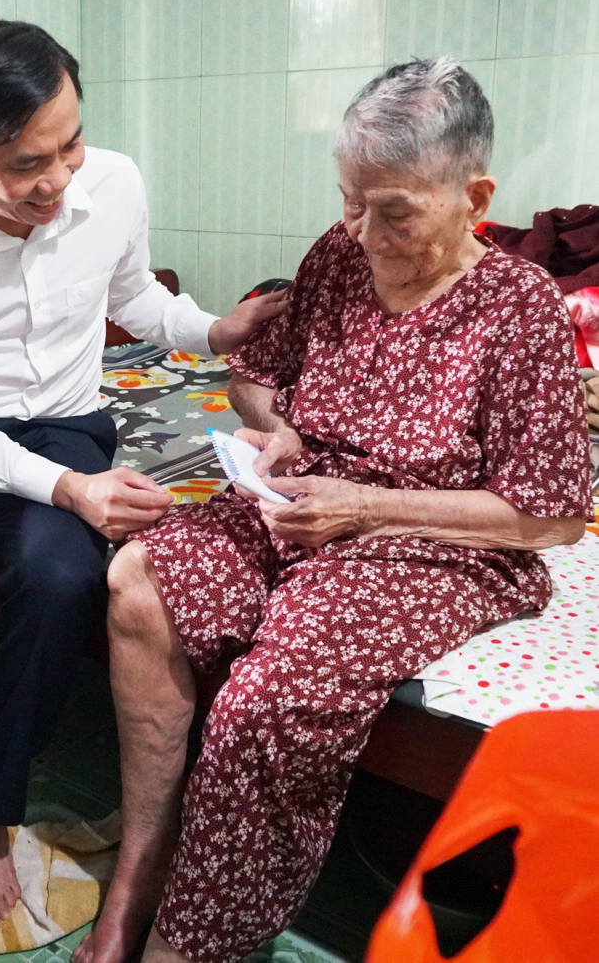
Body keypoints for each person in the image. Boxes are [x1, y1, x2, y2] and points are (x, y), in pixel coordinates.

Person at [75, 58, 593, 963]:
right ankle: (140, 868)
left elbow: (548, 519)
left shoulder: (522, 310)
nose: (366, 232)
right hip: (303, 502)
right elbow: (254, 378)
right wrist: (276, 427)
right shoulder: (338, 252)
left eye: (395, 212)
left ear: (474, 197)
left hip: (429, 542)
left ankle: (193, 940)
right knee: (140, 576)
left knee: (266, 699)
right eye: (351, 202)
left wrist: (365, 506)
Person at [0, 18, 285, 928]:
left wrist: (213, 330)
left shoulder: (111, 181)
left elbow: (133, 295)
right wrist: (73, 490)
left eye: (71, 143)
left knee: (61, 578)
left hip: (65, 421)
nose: (61, 177)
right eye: (28, 163)